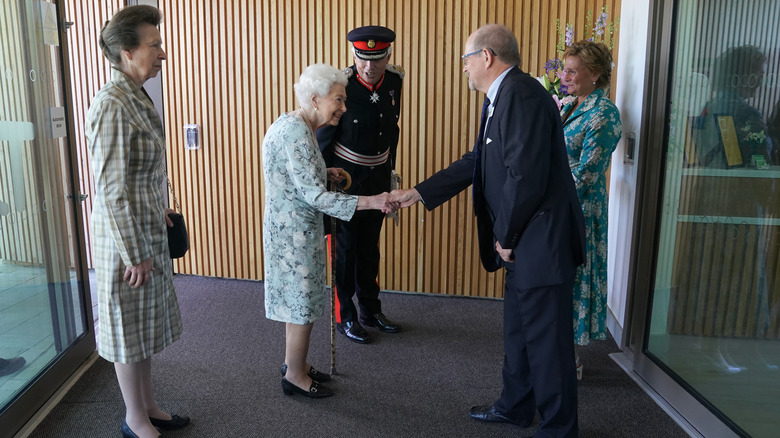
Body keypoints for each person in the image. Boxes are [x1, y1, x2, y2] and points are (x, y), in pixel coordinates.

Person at [391, 24, 585, 437]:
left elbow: (524, 176)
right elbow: (477, 160)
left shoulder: (522, 95)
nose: (463, 68)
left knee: (548, 345)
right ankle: (515, 407)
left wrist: (507, 237)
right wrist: (420, 193)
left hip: (539, 241)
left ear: (486, 57)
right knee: (519, 333)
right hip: (526, 239)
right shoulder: (505, 97)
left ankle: (558, 429)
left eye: (465, 59)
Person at [262, 64, 397, 399]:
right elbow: (315, 197)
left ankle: (295, 363)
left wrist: (326, 170)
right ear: (314, 99)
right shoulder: (296, 132)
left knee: (299, 303)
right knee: (303, 305)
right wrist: (372, 201)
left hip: (293, 230)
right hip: (293, 236)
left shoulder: (298, 123)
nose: (344, 107)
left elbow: (302, 176)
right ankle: (294, 375)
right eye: (338, 99)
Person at [85, 6, 189, 438]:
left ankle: (147, 407)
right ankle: (134, 419)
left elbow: (134, 175)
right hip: (124, 243)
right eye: (154, 44)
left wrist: (157, 205)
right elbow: (110, 190)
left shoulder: (135, 93)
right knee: (129, 331)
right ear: (127, 51)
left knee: (144, 325)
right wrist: (136, 255)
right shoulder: (111, 104)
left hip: (144, 226)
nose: (162, 53)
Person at [316, 25, 404, 344]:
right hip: (346, 181)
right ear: (354, 55)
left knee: (370, 248)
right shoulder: (340, 86)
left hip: (378, 178)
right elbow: (323, 139)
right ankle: (346, 315)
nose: (369, 66)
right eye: (362, 58)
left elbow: (390, 133)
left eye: (377, 59)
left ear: (388, 56)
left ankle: (370, 310)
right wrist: (324, 184)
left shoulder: (395, 81)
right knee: (345, 251)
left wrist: (391, 178)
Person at [559, 40, 622, 380]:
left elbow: (587, 173)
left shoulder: (604, 113)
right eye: (565, 69)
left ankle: (572, 361)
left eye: (571, 70)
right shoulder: (572, 103)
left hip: (580, 208)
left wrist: (547, 187)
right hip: (560, 203)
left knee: (575, 279)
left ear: (595, 74)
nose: (564, 75)